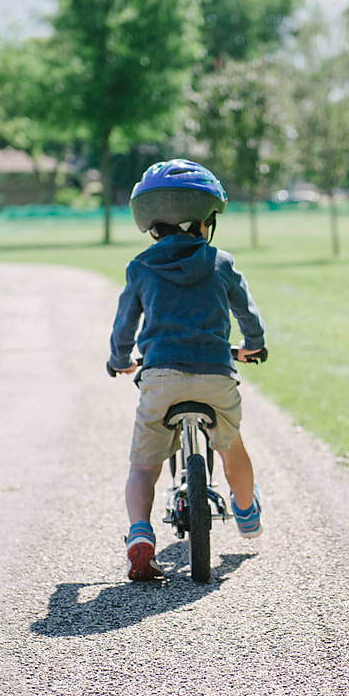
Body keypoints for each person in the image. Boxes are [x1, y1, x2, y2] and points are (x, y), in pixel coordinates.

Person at [108, 159, 266, 581]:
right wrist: (254, 346)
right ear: (204, 221)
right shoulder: (221, 262)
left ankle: (140, 534)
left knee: (143, 466)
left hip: (160, 377)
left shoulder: (141, 267)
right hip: (215, 375)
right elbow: (247, 315)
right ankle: (247, 514)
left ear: (151, 224)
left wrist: (119, 359)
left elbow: (125, 325)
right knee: (232, 448)